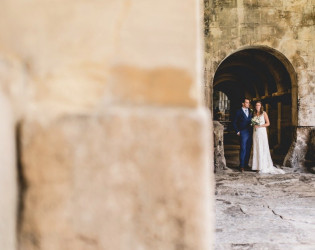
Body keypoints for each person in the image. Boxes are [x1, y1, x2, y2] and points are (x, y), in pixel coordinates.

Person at [251, 101, 285, 174]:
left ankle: (262, 166)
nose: (257, 106)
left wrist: (260, 125)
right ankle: (256, 166)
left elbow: (268, 123)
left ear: (261, 106)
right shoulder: (254, 113)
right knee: (256, 147)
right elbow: (252, 122)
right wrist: (253, 124)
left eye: (259, 105)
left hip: (262, 132)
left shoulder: (264, 113)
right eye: (256, 105)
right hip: (255, 132)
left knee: (262, 147)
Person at [232, 98, 252, 173]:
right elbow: (234, 122)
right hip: (242, 132)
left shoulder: (250, 111)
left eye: (248, 103)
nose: (248, 104)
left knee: (248, 149)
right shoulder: (238, 111)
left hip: (250, 132)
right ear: (243, 103)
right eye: (246, 103)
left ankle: (246, 165)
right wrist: (237, 131)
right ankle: (242, 166)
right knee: (243, 149)